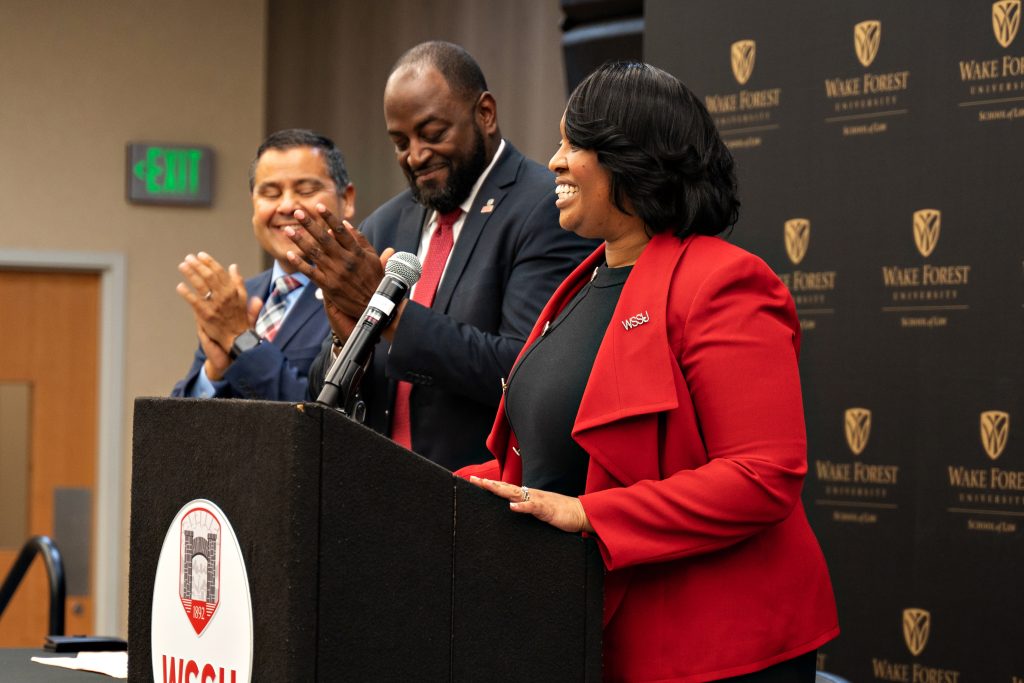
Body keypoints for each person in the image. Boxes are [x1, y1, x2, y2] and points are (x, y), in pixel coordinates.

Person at [461, 62, 839, 682]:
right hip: (581, 633)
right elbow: (548, 461)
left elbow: (762, 475)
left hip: (710, 650)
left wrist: (591, 514)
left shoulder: (723, 282)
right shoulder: (582, 282)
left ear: (633, 159)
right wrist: (416, 485)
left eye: (572, 143)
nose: (553, 162)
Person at [291, 41, 595, 471]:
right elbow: (322, 392)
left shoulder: (547, 209)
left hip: (483, 499)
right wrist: (345, 341)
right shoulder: (384, 224)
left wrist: (395, 321)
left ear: (485, 114)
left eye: (433, 134)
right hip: (377, 488)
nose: (415, 155)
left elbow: (525, 371)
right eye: (400, 142)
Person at [172, 129, 353, 401]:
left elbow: (323, 414)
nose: (288, 205)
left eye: (305, 190)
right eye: (270, 193)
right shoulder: (237, 301)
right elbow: (177, 426)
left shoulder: (362, 296)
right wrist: (214, 374)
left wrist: (241, 341)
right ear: (253, 204)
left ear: (347, 199)